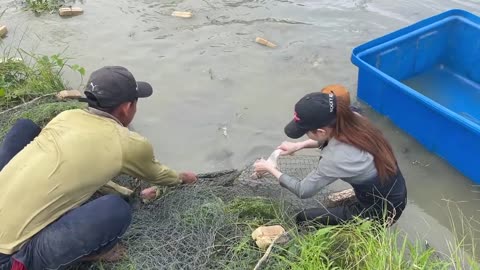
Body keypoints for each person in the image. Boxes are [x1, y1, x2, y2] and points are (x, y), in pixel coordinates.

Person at [0, 66, 197, 270]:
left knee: (25, 127)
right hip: (8, 259)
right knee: (117, 209)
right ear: (127, 108)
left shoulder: (67, 117)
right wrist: (182, 178)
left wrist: (126, 191)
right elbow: (159, 175)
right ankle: (95, 251)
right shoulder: (129, 143)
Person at [254, 91, 407, 226]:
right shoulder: (351, 116)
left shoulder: (336, 158)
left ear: (321, 131)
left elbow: (303, 191)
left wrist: (270, 168)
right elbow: (329, 137)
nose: (306, 135)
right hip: (395, 190)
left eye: (306, 132)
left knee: (303, 218)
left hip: (382, 212)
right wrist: (299, 145)